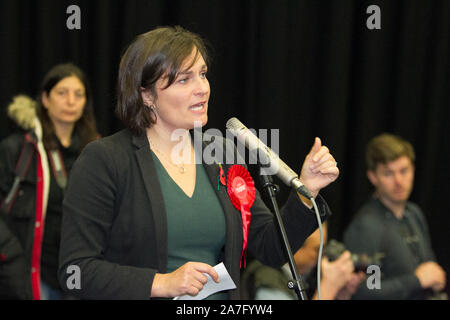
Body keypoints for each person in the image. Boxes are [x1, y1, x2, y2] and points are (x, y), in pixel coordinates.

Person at [57, 26, 339, 300]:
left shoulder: (221, 154)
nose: (201, 88)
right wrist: (160, 283)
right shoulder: (105, 160)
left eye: (202, 74)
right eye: (184, 79)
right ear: (146, 95)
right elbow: (76, 271)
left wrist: (306, 192)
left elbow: (270, 247)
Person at [0, 63, 99, 299]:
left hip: (80, 276)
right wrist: (10, 256)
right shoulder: (18, 150)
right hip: (32, 273)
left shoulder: (97, 151)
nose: (71, 101)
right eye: (62, 93)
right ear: (45, 99)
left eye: (78, 94)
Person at [343, 133, 447, 299]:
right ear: (373, 177)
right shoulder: (367, 227)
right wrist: (416, 280)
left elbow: (430, 269)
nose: (399, 181)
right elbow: (367, 291)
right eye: (388, 173)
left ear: (413, 169)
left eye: (404, 171)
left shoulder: (413, 214)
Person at [241, 222, 365, 300]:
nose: (322, 256)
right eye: (317, 249)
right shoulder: (267, 280)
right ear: (294, 248)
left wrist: (340, 295)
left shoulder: (306, 276)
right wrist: (329, 287)